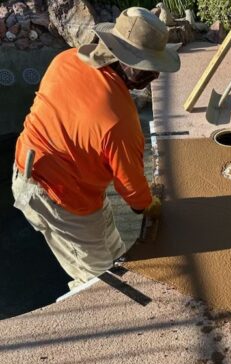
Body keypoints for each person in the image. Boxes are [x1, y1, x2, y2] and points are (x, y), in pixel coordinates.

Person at [12, 7, 180, 289]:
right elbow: (133, 193)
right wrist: (149, 205)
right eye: (150, 69)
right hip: (55, 195)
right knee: (98, 280)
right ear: (127, 63)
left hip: (47, 170)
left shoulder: (67, 59)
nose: (155, 77)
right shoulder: (119, 120)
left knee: (111, 247)